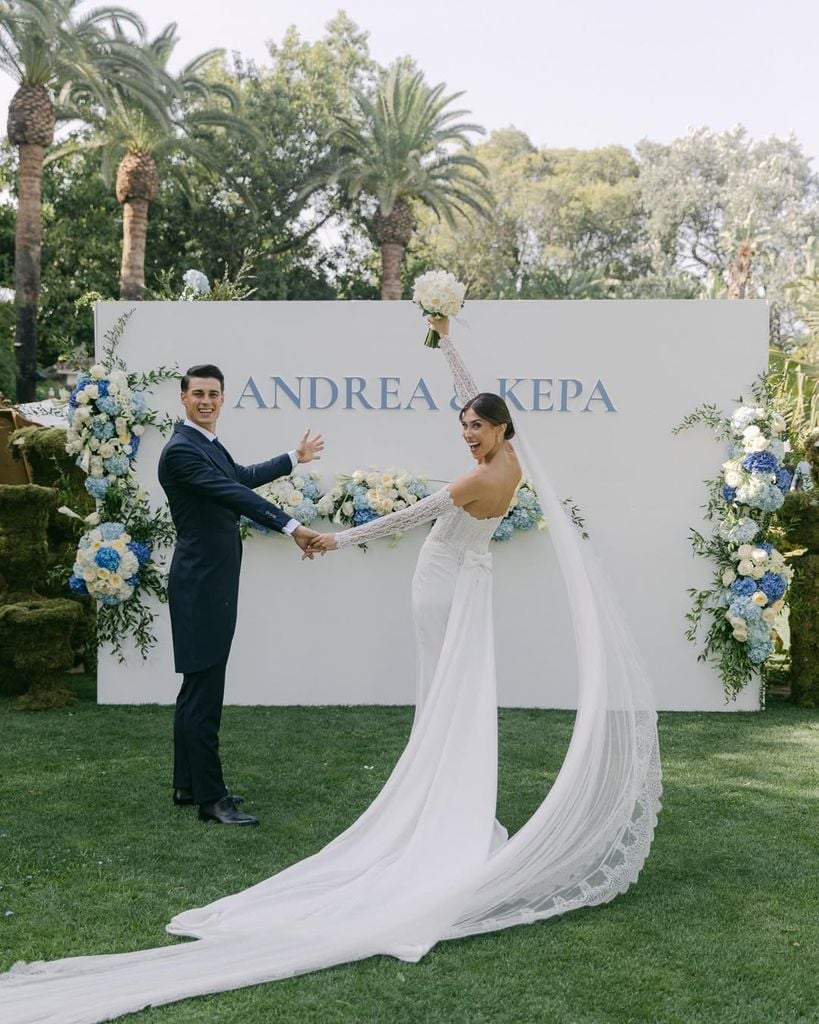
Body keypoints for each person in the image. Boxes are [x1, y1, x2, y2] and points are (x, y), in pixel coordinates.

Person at [0, 328, 661, 1022]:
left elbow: (407, 516)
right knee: (445, 693)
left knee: (443, 694)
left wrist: (329, 538)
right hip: (465, 584)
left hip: (440, 580)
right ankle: (211, 784)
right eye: (462, 425)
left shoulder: (473, 476)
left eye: (475, 427)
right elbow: (470, 399)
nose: (467, 433)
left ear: (500, 429)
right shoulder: (512, 460)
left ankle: (425, 801)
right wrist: (444, 342)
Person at [157, 363, 323, 826]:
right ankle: (212, 799)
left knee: (198, 686)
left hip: (210, 582)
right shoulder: (179, 452)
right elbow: (235, 495)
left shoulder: (203, 443)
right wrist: (292, 526)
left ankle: (188, 785)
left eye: (214, 393)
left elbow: (240, 477)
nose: (206, 400)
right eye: (198, 394)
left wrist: (294, 456)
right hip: (200, 585)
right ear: (183, 398)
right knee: (205, 690)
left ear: (222, 399)